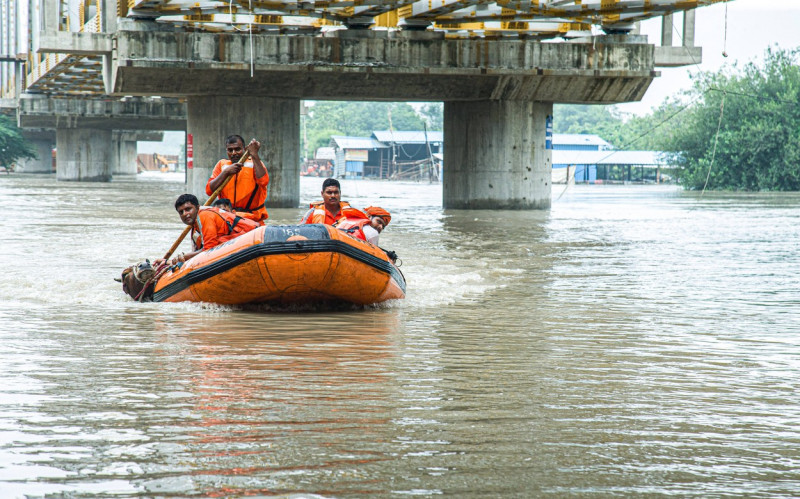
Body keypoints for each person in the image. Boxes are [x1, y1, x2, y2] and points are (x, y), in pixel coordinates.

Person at [160, 193, 260, 265]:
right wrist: (169, 262)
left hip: (253, 241)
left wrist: (184, 257)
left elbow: (209, 250)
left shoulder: (205, 216)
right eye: (181, 212)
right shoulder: (195, 228)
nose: (185, 214)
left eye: (188, 209)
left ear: (197, 207)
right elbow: (198, 253)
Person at [205, 135, 270, 224]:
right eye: (230, 150)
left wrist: (254, 154)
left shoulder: (255, 163)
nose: (234, 153)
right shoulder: (221, 165)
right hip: (227, 218)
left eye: (237, 149)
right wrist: (226, 172)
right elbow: (209, 190)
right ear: (226, 150)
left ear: (244, 149)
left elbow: (264, 181)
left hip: (251, 218)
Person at [300, 178, 367, 225]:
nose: (333, 196)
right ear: (322, 194)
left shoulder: (352, 212)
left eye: (336, 192)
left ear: (340, 193)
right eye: (329, 192)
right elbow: (300, 232)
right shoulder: (312, 213)